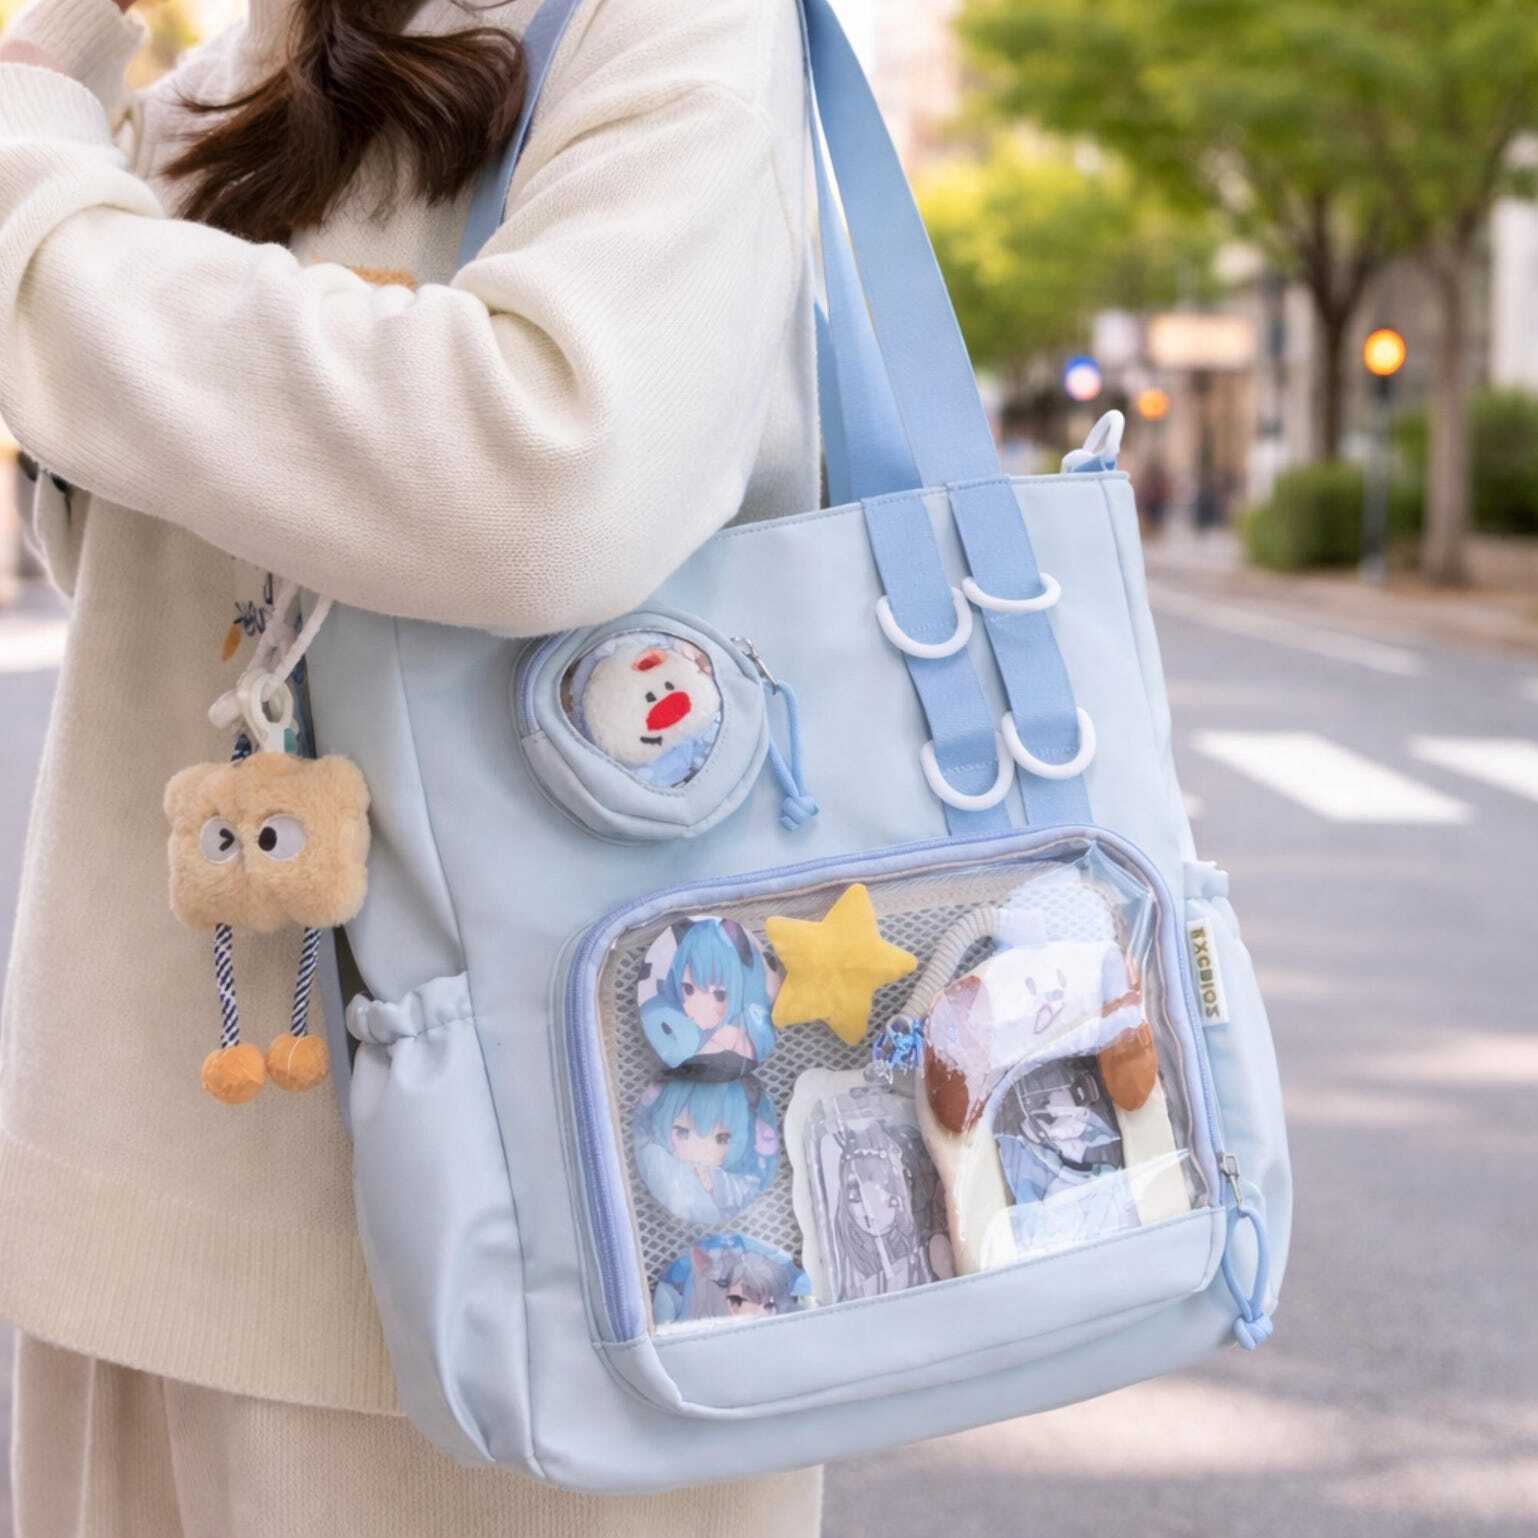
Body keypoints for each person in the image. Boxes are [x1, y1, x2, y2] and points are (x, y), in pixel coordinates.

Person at [0, 0, 821, 1532]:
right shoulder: (196, 88)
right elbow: (136, 580)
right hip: (138, 1177)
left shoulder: (666, 24)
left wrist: (33, 191)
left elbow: (553, 473)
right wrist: (59, 77)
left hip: (545, 1248)